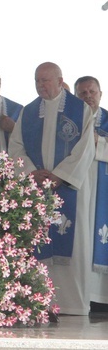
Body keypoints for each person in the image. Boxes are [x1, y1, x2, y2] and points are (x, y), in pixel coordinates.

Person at [9, 62, 96, 315]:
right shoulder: (28, 112)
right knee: (36, 241)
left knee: (71, 239)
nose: (40, 85)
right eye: (37, 81)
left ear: (60, 81)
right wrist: (30, 173)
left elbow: (85, 149)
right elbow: (16, 147)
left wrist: (60, 176)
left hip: (69, 189)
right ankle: (39, 300)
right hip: (36, 189)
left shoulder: (81, 111)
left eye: (45, 80)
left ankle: (71, 305)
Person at [73, 76, 108, 311]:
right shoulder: (71, 121)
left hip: (103, 188)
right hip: (78, 188)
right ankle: (81, 295)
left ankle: (101, 299)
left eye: (91, 92)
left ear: (100, 94)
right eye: (82, 93)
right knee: (80, 239)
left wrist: (98, 142)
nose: (87, 97)